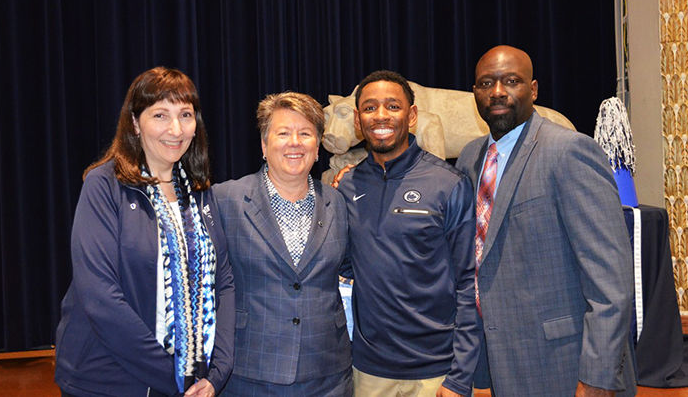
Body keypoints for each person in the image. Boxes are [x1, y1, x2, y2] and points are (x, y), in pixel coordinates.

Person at [456, 45, 636, 396]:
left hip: (565, 364)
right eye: (486, 83)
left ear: (533, 90)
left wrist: (598, 376)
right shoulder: (469, 158)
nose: (497, 92)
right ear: (474, 93)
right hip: (499, 360)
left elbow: (611, 280)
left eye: (511, 81)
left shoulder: (569, 152)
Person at [55, 67, 235, 397]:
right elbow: (100, 298)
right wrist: (177, 379)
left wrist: (217, 372)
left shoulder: (199, 192)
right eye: (160, 115)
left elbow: (223, 282)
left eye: (185, 114)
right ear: (136, 123)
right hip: (107, 381)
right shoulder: (104, 185)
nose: (176, 129)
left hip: (191, 382)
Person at [335, 70, 481, 397]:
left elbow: (468, 282)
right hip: (369, 372)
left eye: (392, 106)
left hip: (437, 371)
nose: (381, 115)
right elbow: (345, 265)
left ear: (411, 115)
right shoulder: (347, 186)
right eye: (370, 108)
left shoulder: (448, 184)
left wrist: (459, 376)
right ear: (358, 120)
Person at [214, 92, 352, 396]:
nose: (295, 142)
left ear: (317, 148)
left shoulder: (338, 203)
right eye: (283, 133)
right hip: (249, 372)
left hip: (328, 374)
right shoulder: (225, 200)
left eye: (305, 133)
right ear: (264, 146)